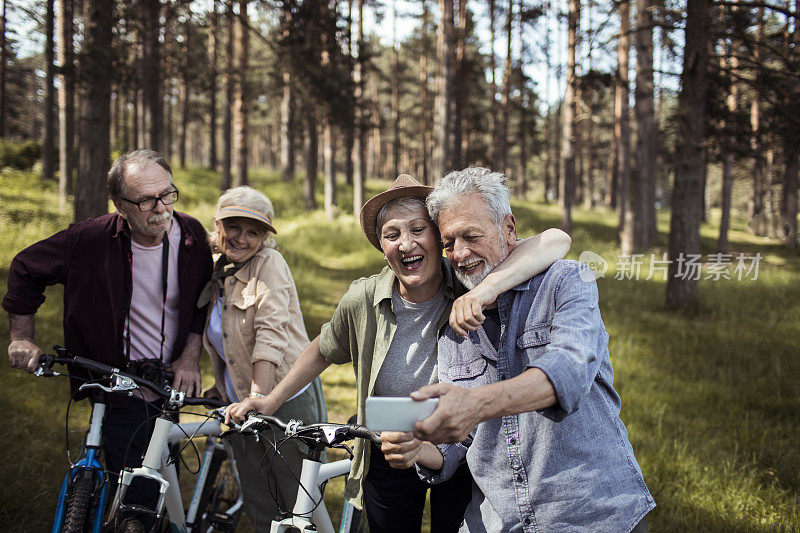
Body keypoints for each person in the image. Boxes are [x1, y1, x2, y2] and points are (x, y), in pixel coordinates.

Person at [225, 174, 572, 532]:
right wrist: (268, 400)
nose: (406, 244)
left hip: (458, 435)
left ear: (438, 239)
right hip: (388, 438)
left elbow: (555, 240)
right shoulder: (363, 299)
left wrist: (483, 292)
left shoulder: (469, 279)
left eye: (418, 229)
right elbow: (322, 350)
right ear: (382, 246)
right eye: (392, 235)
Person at [394, 167, 655, 532]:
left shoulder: (566, 282)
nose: (460, 252)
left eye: (472, 235)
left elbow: (569, 373)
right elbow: (460, 445)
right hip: (500, 522)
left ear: (509, 229)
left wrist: (475, 403)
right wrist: (417, 450)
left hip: (592, 515)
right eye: (449, 242)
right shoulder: (454, 333)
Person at [3, 150, 212, 518]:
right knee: (134, 488)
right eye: (146, 200)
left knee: (156, 478)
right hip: (113, 378)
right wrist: (22, 336)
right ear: (119, 204)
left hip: (166, 379)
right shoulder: (88, 240)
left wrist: (190, 356)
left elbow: (199, 301)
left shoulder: (192, 235)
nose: (162, 207)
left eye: (167, 194)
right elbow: (25, 268)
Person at [199, 186, 327, 530]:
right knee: (259, 502)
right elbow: (224, 336)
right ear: (218, 225)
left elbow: (270, 334)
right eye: (234, 227)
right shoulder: (217, 268)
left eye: (253, 231)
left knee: (297, 502)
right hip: (240, 401)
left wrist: (259, 397)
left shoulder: (269, 263)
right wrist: (220, 384)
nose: (241, 238)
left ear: (263, 237)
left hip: (284, 396)